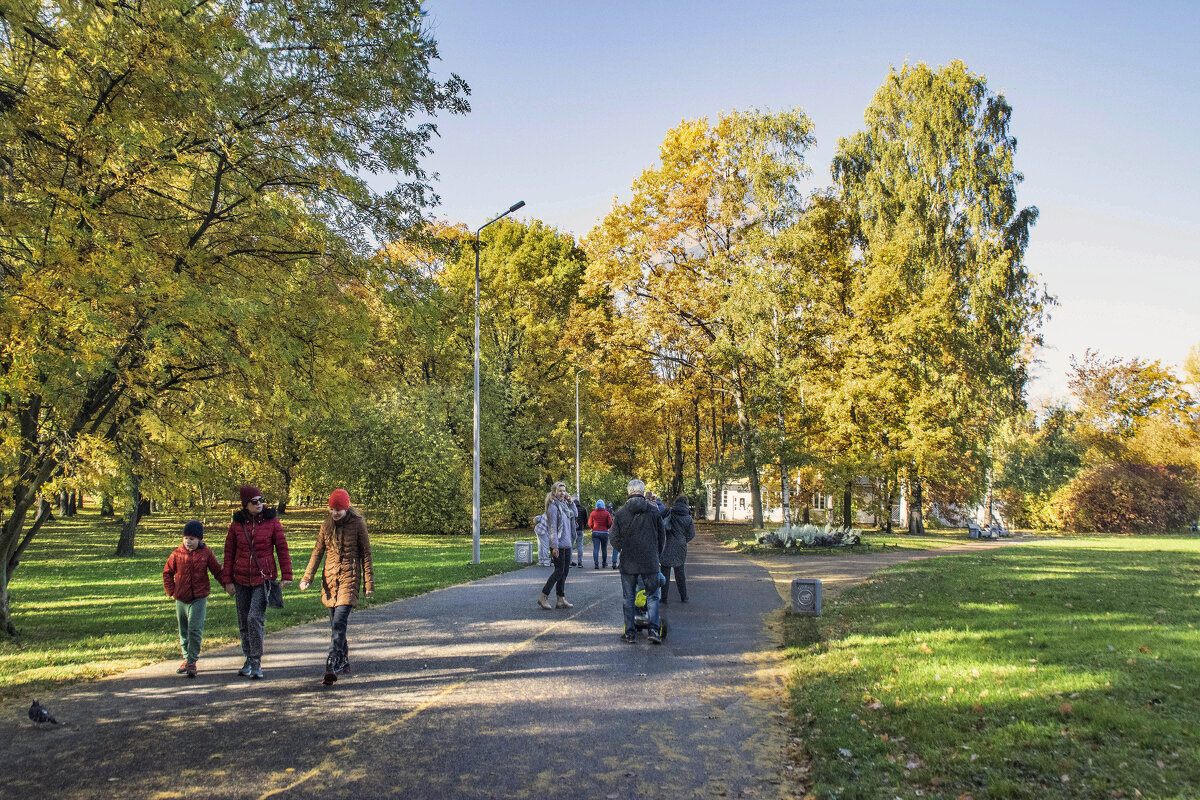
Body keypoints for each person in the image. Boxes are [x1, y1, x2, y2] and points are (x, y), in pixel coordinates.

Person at [300, 489, 375, 686]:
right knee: (335, 625)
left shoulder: (358, 524)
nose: (335, 513)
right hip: (330, 580)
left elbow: (366, 554)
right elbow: (317, 552)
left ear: (347, 508)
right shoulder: (326, 525)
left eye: (338, 510)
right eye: (332, 509)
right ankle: (343, 660)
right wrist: (308, 577)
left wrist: (369, 583)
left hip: (350, 578)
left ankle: (331, 662)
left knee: (340, 622)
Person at [223, 484, 292, 679]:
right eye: (255, 502)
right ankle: (247, 657)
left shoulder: (272, 522)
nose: (259, 504)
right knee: (243, 620)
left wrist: (287, 574)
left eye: (261, 500)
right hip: (241, 578)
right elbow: (229, 553)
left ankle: (256, 660)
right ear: (246, 504)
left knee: (254, 617)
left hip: (264, 579)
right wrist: (227, 580)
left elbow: (282, 548)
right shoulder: (237, 525)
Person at [162, 520, 225, 678]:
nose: (188, 542)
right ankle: (186, 658)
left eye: (192, 539)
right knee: (183, 630)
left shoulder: (206, 554)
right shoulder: (176, 554)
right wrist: (171, 591)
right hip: (181, 598)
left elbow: (217, 571)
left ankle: (192, 660)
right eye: (186, 538)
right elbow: (167, 573)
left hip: (199, 597)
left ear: (200, 540)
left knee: (194, 629)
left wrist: (227, 585)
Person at [609, 479, 666, 644]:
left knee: (628, 597)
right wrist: (656, 554)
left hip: (628, 562)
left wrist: (624, 549)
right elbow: (662, 537)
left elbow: (614, 538)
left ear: (628, 492)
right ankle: (654, 631)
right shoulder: (654, 512)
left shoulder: (619, 513)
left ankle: (630, 633)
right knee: (653, 597)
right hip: (650, 561)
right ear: (643, 492)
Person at [537, 481, 576, 610]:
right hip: (558, 544)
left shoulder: (564, 505)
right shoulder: (553, 507)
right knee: (559, 571)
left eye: (564, 491)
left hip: (567, 543)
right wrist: (554, 546)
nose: (562, 493)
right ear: (554, 492)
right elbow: (552, 528)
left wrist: (570, 501)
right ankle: (543, 597)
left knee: (564, 572)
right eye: (560, 491)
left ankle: (560, 599)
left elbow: (575, 514)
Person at [660, 495, 696, 604]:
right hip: (680, 546)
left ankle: (664, 598)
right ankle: (684, 597)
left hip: (666, 544)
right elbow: (691, 534)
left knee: (665, 572)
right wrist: (683, 540)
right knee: (680, 573)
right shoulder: (688, 517)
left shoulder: (669, 512)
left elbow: (659, 523)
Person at [588, 499, 612, 569]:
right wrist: (607, 527)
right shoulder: (607, 513)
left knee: (596, 548)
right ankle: (604, 563)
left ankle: (596, 564)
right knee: (604, 549)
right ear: (603, 505)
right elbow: (610, 523)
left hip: (595, 532)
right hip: (604, 532)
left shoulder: (593, 513)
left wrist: (593, 527)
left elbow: (589, 523)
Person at [571, 494, 588, 566]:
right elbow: (585, 520)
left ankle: (569, 562)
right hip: (580, 529)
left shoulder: (570, 508)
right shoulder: (583, 509)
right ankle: (580, 562)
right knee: (580, 546)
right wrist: (583, 525)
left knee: (570, 546)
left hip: (572, 529)